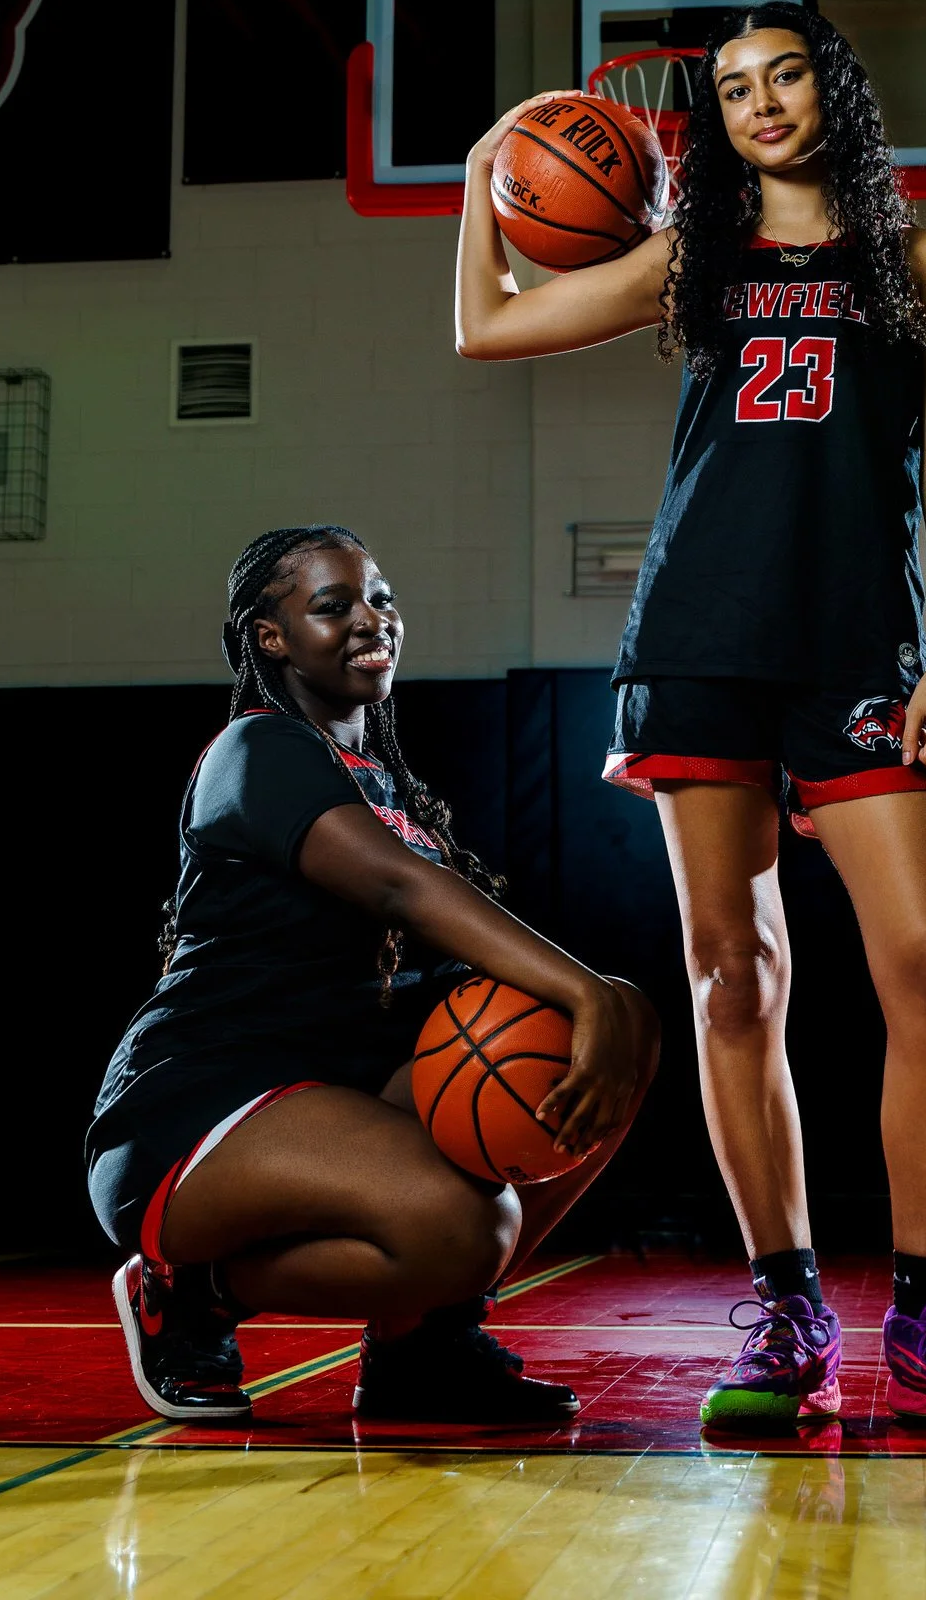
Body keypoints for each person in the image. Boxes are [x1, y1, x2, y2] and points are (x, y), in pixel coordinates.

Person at [453, 3, 926, 1433]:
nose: (760, 102)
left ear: (829, 91)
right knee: (734, 980)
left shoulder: (923, 260)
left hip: (856, 645)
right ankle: (783, 1311)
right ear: (711, 124)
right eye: (730, 89)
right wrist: (482, 163)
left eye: (783, 74)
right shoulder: (693, 259)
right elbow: (485, 329)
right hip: (700, 639)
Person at [88, 525, 657, 1426]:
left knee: (616, 1033)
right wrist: (581, 987)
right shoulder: (256, 750)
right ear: (270, 638)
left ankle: (421, 1346)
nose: (370, 620)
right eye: (332, 605)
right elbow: (399, 885)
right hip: (201, 1107)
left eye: (381, 599)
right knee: (469, 1225)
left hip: (337, 1094)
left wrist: (602, 1005)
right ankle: (193, 1292)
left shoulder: (379, 779)